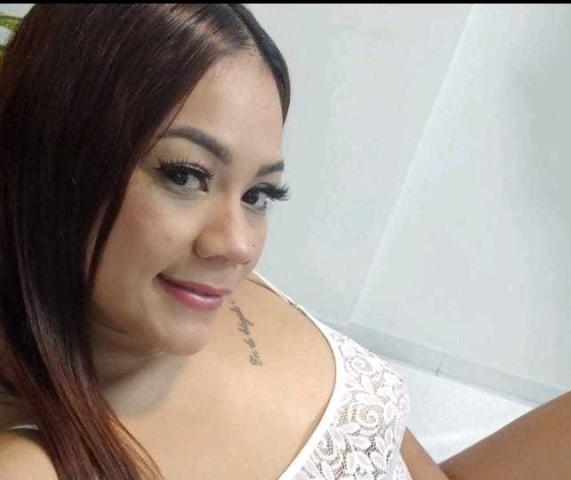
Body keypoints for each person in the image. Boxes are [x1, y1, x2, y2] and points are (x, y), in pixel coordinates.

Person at [0, 4, 448, 479]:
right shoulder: (31, 464)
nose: (239, 246)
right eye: (185, 175)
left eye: (257, 194)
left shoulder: (195, 290)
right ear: (48, 162)